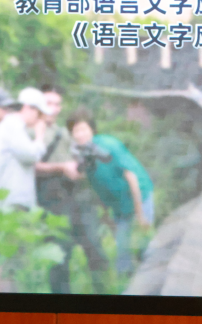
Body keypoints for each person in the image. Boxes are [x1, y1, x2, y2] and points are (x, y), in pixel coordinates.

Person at [35, 85, 108, 294]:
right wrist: (62, 167)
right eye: (49, 103)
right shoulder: (31, 130)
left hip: (75, 195)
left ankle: (105, 294)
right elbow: (28, 166)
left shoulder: (63, 132)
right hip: (50, 199)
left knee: (94, 247)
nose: (53, 108)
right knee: (60, 256)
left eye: (57, 104)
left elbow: (77, 158)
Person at [66, 109, 154, 277]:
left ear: (92, 129)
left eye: (83, 129)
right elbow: (98, 185)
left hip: (139, 195)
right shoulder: (83, 155)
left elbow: (131, 177)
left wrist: (140, 215)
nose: (80, 134)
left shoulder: (108, 145)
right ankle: (126, 281)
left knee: (144, 244)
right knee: (123, 249)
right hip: (119, 205)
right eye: (76, 131)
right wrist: (107, 214)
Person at [0, 87, 48, 210]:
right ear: (28, 108)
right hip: (10, 203)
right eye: (39, 113)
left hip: (13, 201)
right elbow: (30, 155)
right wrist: (40, 137)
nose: (40, 119)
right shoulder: (12, 125)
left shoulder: (16, 127)